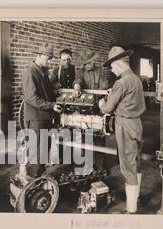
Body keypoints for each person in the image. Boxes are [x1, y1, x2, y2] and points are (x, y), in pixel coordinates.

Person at [98, 46, 146, 214]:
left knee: (127, 165)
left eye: (112, 66)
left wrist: (101, 104)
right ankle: (137, 197)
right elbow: (128, 96)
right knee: (136, 162)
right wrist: (116, 93)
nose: (111, 70)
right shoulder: (135, 79)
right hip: (137, 124)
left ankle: (131, 210)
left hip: (125, 125)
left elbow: (107, 108)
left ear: (119, 64)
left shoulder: (120, 83)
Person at [22, 43, 63, 178]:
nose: (49, 61)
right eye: (48, 58)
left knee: (45, 149)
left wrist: (56, 90)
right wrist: (51, 106)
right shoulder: (31, 72)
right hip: (36, 118)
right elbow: (31, 98)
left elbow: (46, 92)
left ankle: (39, 175)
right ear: (39, 56)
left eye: (51, 58)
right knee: (37, 151)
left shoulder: (43, 72)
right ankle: (33, 179)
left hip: (45, 117)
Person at [73, 49, 109, 171]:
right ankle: (87, 165)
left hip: (98, 108)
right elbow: (78, 80)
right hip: (85, 110)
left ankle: (100, 167)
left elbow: (104, 85)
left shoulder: (102, 71)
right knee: (85, 137)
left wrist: (96, 97)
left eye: (88, 63)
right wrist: (77, 86)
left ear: (93, 61)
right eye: (84, 64)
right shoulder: (80, 72)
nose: (86, 66)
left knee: (99, 137)